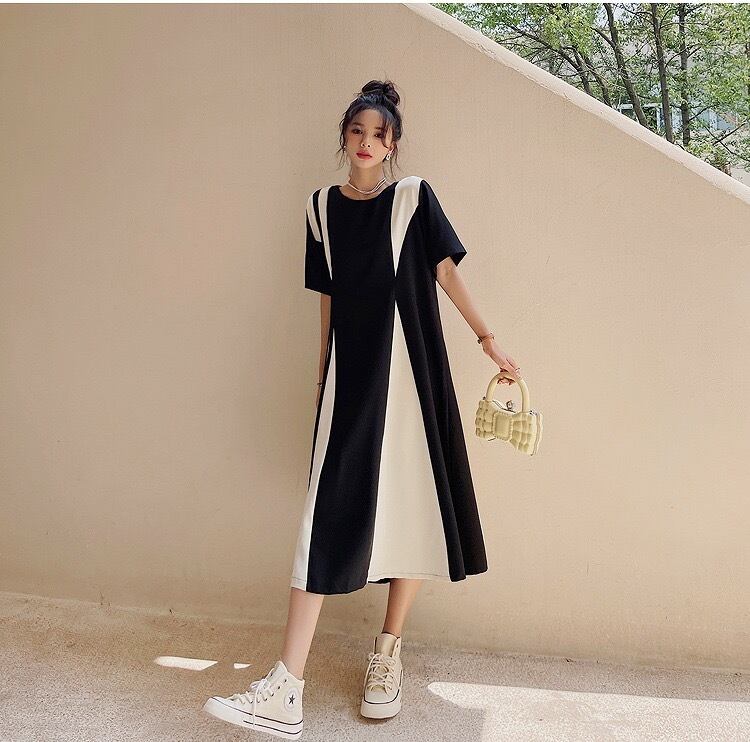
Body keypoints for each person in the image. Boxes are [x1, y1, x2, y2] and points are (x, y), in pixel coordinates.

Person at [203, 79, 523, 740]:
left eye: (379, 134)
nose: (367, 143)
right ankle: (286, 687)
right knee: (322, 518)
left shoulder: (413, 197)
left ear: (393, 144)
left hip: (412, 372)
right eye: (357, 131)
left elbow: (445, 272)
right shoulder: (320, 208)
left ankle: (387, 651)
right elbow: (327, 295)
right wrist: (325, 371)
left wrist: (489, 340)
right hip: (352, 377)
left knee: (413, 502)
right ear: (344, 138)